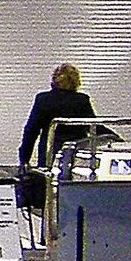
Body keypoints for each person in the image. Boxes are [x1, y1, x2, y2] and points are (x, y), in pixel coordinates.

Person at [18, 62, 97, 212]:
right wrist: (115, 137)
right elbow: (94, 127)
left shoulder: (43, 99)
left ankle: (48, 231)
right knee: (73, 198)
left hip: (50, 154)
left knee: (50, 199)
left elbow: (31, 131)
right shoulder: (81, 100)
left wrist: (24, 159)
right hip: (76, 156)